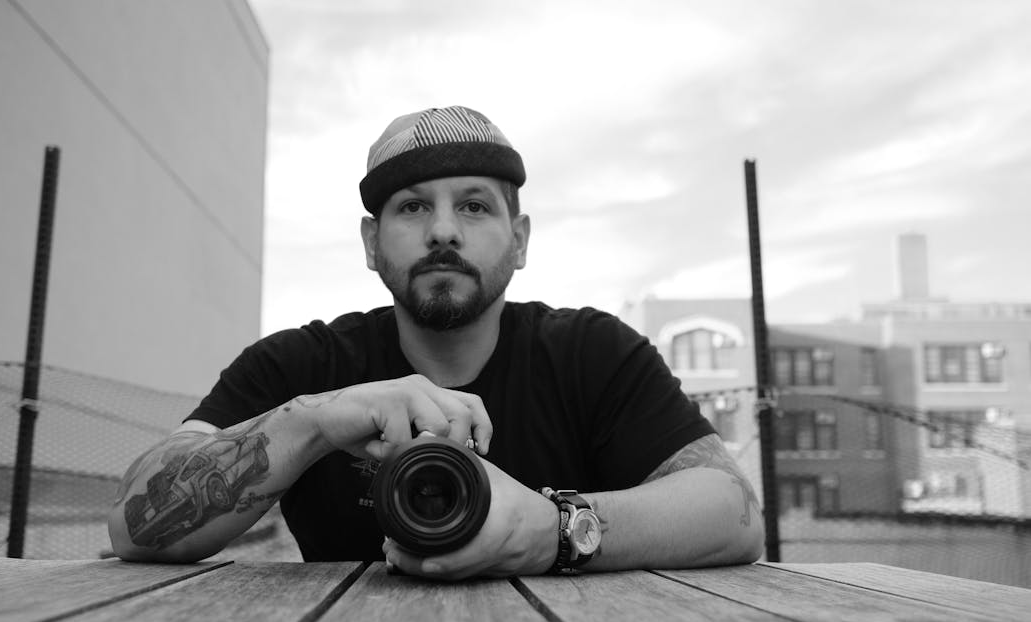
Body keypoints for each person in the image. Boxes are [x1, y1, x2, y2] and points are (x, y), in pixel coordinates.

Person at [108, 105, 764, 578]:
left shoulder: (591, 353)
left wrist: (552, 531)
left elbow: (732, 510)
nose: (442, 230)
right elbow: (134, 524)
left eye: (474, 205)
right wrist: (312, 423)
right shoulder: (300, 366)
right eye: (412, 206)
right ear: (372, 242)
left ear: (520, 239)